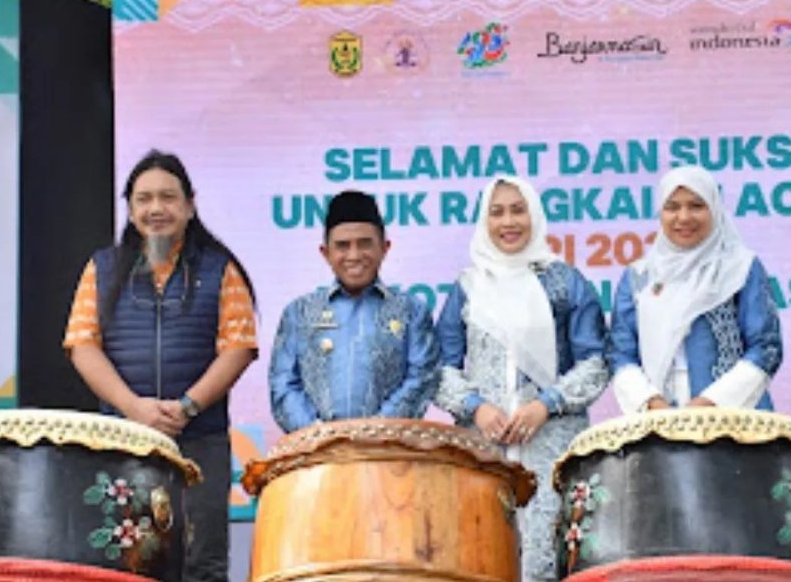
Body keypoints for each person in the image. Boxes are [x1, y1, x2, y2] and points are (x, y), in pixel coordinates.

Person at [64, 149, 257, 582]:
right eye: (144, 199)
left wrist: (187, 407)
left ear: (189, 206)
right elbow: (82, 346)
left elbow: (239, 347)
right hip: (121, 440)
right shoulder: (102, 269)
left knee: (202, 562)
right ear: (131, 210)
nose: (156, 208)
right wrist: (133, 408)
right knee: (126, 563)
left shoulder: (220, 269)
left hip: (200, 440)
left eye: (168, 197)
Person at [434, 176, 609, 581]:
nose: (508, 222)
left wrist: (546, 405)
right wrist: (476, 408)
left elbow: (597, 362)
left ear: (535, 215)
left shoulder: (565, 282)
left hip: (552, 443)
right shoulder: (469, 287)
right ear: (484, 221)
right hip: (483, 446)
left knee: (550, 555)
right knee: (483, 554)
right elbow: (440, 368)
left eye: (518, 210)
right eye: (497, 213)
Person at [609, 165, 782, 413]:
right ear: (660, 213)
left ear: (714, 209)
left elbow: (765, 347)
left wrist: (710, 403)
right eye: (672, 207)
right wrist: (651, 403)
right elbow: (620, 352)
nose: (684, 217)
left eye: (696, 206)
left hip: (733, 414)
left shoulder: (740, 267)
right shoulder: (640, 276)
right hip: (658, 417)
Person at [268, 190, 440, 432]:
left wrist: (375, 431)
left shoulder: (411, 311)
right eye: (342, 246)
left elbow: (422, 378)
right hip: (316, 449)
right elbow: (283, 384)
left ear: (385, 248)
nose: (354, 255)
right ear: (325, 253)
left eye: (365, 243)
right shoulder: (299, 313)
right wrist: (318, 435)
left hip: (390, 448)